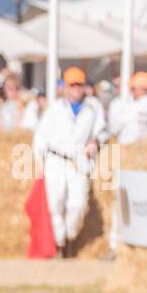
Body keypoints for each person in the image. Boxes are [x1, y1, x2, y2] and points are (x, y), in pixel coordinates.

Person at [33, 66, 107, 257]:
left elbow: (103, 131)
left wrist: (95, 141)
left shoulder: (93, 107)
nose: (76, 89)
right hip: (55, 160)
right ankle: (60, 244)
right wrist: (39, 161)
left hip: (79, 161)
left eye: (79, 85)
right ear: (65, 87)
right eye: (72, 85)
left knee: (78, 204)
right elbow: (40, 136)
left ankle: (69, 237)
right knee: (54, 204)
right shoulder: (55, 109)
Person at [109, 70, 147, 145]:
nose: (131, 91)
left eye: (133, 88)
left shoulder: (131, 107)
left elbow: (114, 129)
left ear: (141, 89)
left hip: (130, 149)